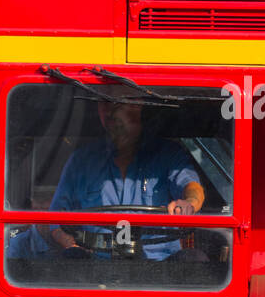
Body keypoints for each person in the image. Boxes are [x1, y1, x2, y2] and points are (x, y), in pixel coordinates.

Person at [13, 96, 204, 264]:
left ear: (138, 105)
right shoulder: (82, 160)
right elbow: (56, 219)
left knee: (194, 262)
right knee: (71, 262)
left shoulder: (168, 154)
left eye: (117, 103)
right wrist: (73, 246)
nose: (110, 112)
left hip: (159, 264)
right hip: (97, 266)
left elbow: (191, 186)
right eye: (103, 103)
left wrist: (189, 203)